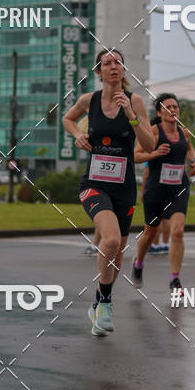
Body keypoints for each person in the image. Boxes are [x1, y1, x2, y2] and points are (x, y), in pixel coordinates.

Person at [62, 47, 154, 336]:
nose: (114, 66)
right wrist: (78, 134)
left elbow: (149, 145)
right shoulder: (88, 101)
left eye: (118, 62)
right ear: (98, 71)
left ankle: (98, 302)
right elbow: (67, 119)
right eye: (107, 63)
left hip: (124, 187)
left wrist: (131, 115)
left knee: (117, 253)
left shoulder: (135, 101)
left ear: (123, 69)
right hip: (94, 184)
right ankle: (105, 302)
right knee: (111, 240)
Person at [131, 93, 195, 297]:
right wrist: (154, 154)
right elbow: (135, 156)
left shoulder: (184, 133)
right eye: (168, 107)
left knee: (177, 231)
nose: (173, 110)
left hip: (178, 188)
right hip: (156, 190)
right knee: (149, 234)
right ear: (160, 113)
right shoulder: (153, 132)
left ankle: (175, 279)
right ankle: (138, 263)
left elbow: (190, 151)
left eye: (175, 106)